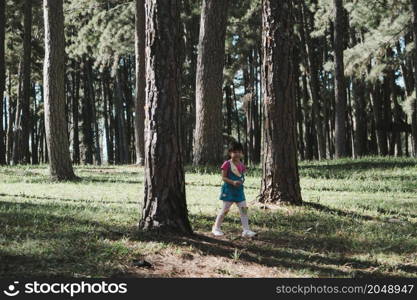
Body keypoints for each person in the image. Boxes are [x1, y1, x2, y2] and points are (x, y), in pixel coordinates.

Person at [212, 141, 257, 238]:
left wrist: (241, 180)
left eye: (239, 152)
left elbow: (242, 174)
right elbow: (223, 177)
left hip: (239, 192)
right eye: (235, 151)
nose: (237, 154)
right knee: (225, 210)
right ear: (229, 153)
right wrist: (233, 182)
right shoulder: (227, 164)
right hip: (229, 191)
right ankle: (216, 228)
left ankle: (246, 230)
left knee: (244, 209)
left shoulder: (241, 164)